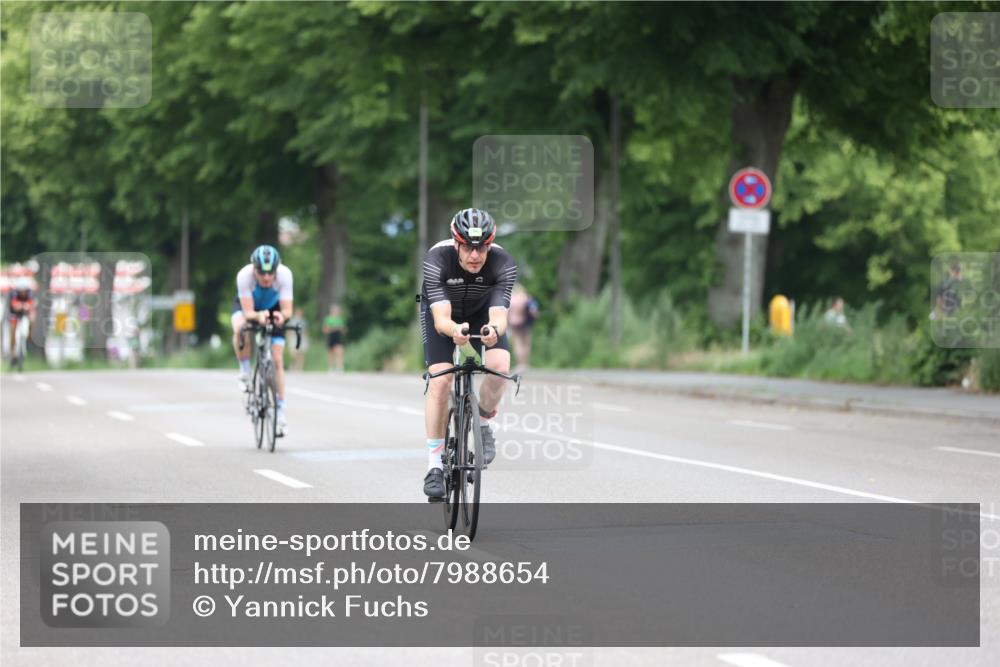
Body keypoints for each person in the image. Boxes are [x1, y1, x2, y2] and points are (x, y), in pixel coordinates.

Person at [420, 208, 517, 498]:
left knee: (500, 365)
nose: (475, 256)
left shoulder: (503, 263)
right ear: (456, 244)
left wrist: (494, 332)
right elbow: (441, 321)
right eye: (468, 248)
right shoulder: (437, 259)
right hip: (443, 316)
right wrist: (455, 333)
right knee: (440, 380)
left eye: (481, 248)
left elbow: (499, 316)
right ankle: (435, 465)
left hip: (482, 313)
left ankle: (484, 423)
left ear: (490, 245)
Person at [230, 245, 294, 435]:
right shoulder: (244, 276)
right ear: (253, 269)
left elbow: (288, 310)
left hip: (273, 307)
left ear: (277, 269)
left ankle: (280, 411)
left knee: (277, 360)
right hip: (249, 306)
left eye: (270, 273)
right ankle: (245, 371)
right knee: (240, 328)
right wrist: (257, 317)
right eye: (261, 272)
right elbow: (248, 312)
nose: (266, 277)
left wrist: (282, 317)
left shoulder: (285, 275)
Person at [507, 283, 539, 370]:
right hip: (525, 324)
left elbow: (507, 312)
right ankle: (525, 363)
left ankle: (520, 364)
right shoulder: (527, 298)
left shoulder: (511, 299)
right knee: (526, 344)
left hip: (514, 324)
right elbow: (534, 310)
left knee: (517, 343)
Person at [6, 277, 36, 362]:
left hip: (25, 312)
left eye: (24, 291)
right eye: (21, 291)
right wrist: (22, 306)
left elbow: (31, 305)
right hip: (14, 313)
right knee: (12, 331)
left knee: (32, 318)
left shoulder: (30, 293)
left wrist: (28, 309)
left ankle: (29, 337)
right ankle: (13, 353)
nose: (23, 293)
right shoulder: (14, 293)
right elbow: (14, 306)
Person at [322, 304, 346, 373]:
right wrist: (334, 328)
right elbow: (325, 330)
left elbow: (343, 330)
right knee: (331, 353)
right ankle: (331, 367)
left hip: (338, 337)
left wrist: (342, 329)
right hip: (330, 337)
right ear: (332, 311)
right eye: (336, 311)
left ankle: (340, 367)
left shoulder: (340, 319)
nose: (338, 312)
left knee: (340, 351)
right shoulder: (328, 319)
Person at [290, 307, 308, 372]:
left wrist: (306, 339)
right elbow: (289, 330)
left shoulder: (304, 321)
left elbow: (306, 331)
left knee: (301, 353)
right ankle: (294, 365)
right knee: (294, 353)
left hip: (302, 337)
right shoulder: (292, 320)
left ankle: (300, 368)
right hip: (294, 337)